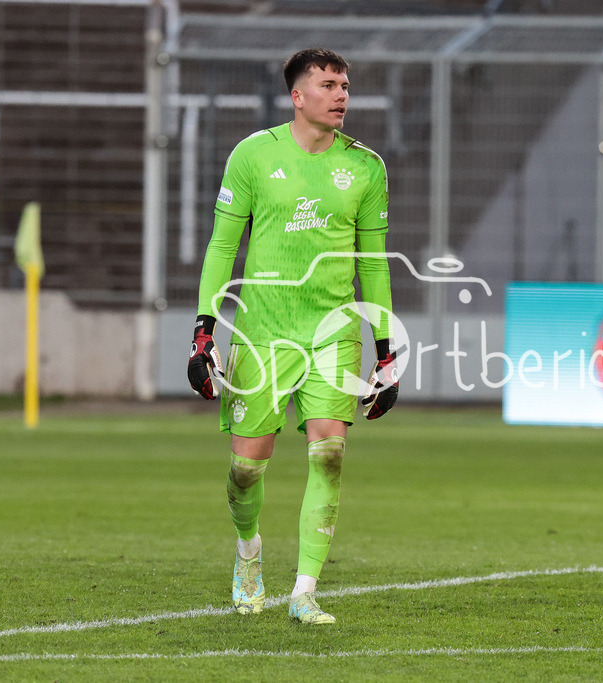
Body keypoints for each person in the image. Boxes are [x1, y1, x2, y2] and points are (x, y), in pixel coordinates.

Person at [187, 48, 399, 625]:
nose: (341, 95)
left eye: (345, 86)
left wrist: (386, 349)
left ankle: (304, 592)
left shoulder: (366, 167)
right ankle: (248, 551)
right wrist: (204, 331)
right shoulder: (253, 156)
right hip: (262, 333)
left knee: (329, 454)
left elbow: (374, 265)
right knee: (246, 469)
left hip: (333, 333)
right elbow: (222, 247)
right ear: (297, 96)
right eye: (328, 85)